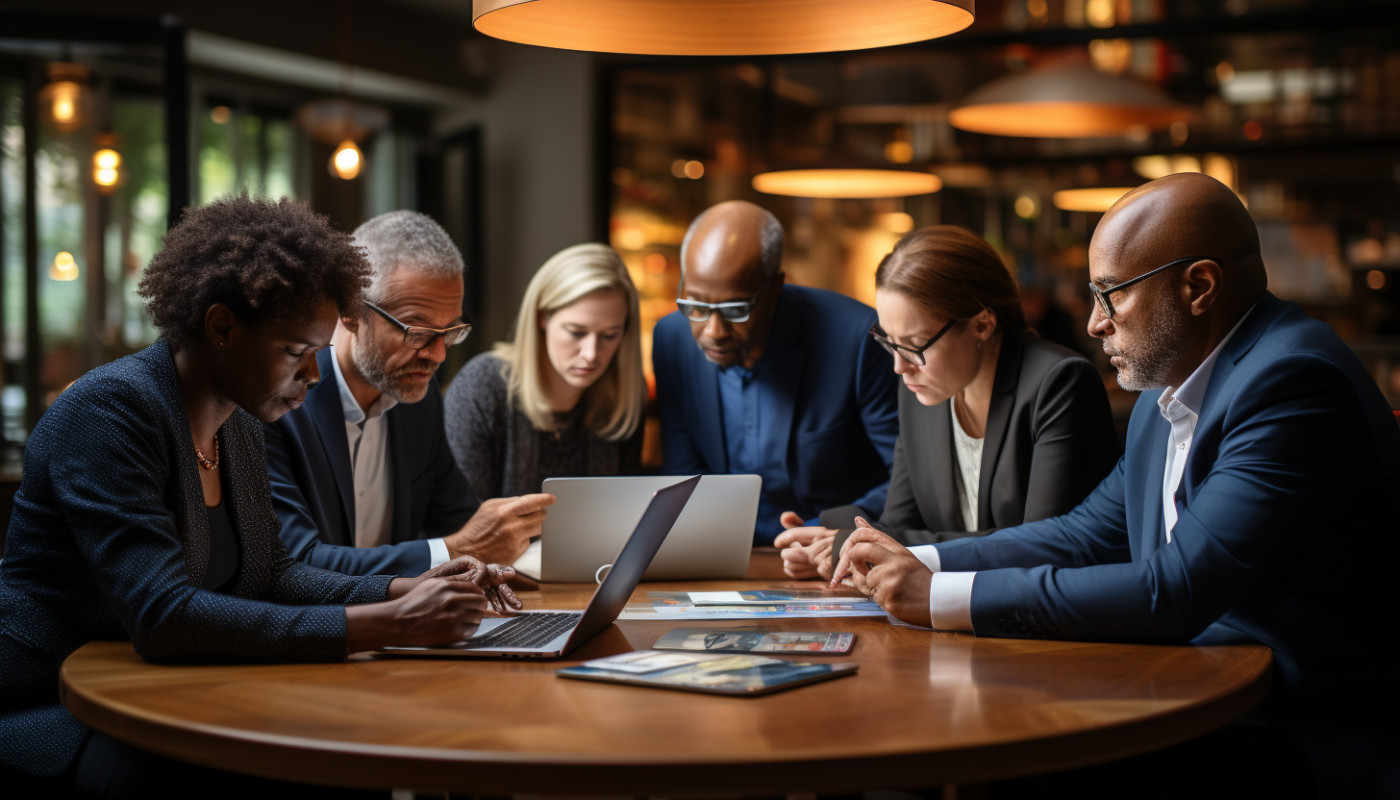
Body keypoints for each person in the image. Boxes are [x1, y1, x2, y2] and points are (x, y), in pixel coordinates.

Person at [836, 174, 1400, 797]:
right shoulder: (1171, 391)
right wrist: (915, 560)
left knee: (1021, 766)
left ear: (1200, 287)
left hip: (1297, 720)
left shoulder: (1292, 381)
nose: (1096, 323)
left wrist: (938, 595)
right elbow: (1083, 535)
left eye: (1111, 295)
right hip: (1203, 685)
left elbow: (1174, 587)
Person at [0, 196, 520, 797]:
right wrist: (380, 623)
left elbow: (274, 573)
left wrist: (404, 588)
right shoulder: (111, 412)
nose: (316, 376)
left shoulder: (238, 422)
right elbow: (163, 616)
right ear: (222, 328)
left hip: (158, 687)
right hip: (57, 704)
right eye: (298, 353)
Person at [776, 226, 1120, 579]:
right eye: (889, 341)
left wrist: (869, 544)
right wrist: (842, 546)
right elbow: (899, 523)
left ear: (983, 325)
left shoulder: (1059, 384)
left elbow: (1041, 547)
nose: (899, 365)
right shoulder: (921, 390)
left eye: (914, 344)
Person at [266, 210, 554, 577]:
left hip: (406, 626)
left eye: (451, 330)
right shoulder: (278, 399)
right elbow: (299, 562)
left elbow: (458, 520)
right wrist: (458, 550)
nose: (437, 354)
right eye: (416, 331)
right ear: (350, 311)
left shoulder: (417, 395)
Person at [652, 200, 900, 544]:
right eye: (695, 306)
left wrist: (833, 533)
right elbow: (683, 475)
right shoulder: (672, 338)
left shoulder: (857, 339)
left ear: (775, 290)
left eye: (735, 309)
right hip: (717, 555)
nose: (713, 330)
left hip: (832, 555)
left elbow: (907, 478)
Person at [444, 243, 645, 499]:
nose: (592, 353)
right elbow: (461, 525)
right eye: (576, 332)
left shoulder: (622, 397)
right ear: (542, 317)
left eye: (610, 335)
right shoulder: (482, 388)